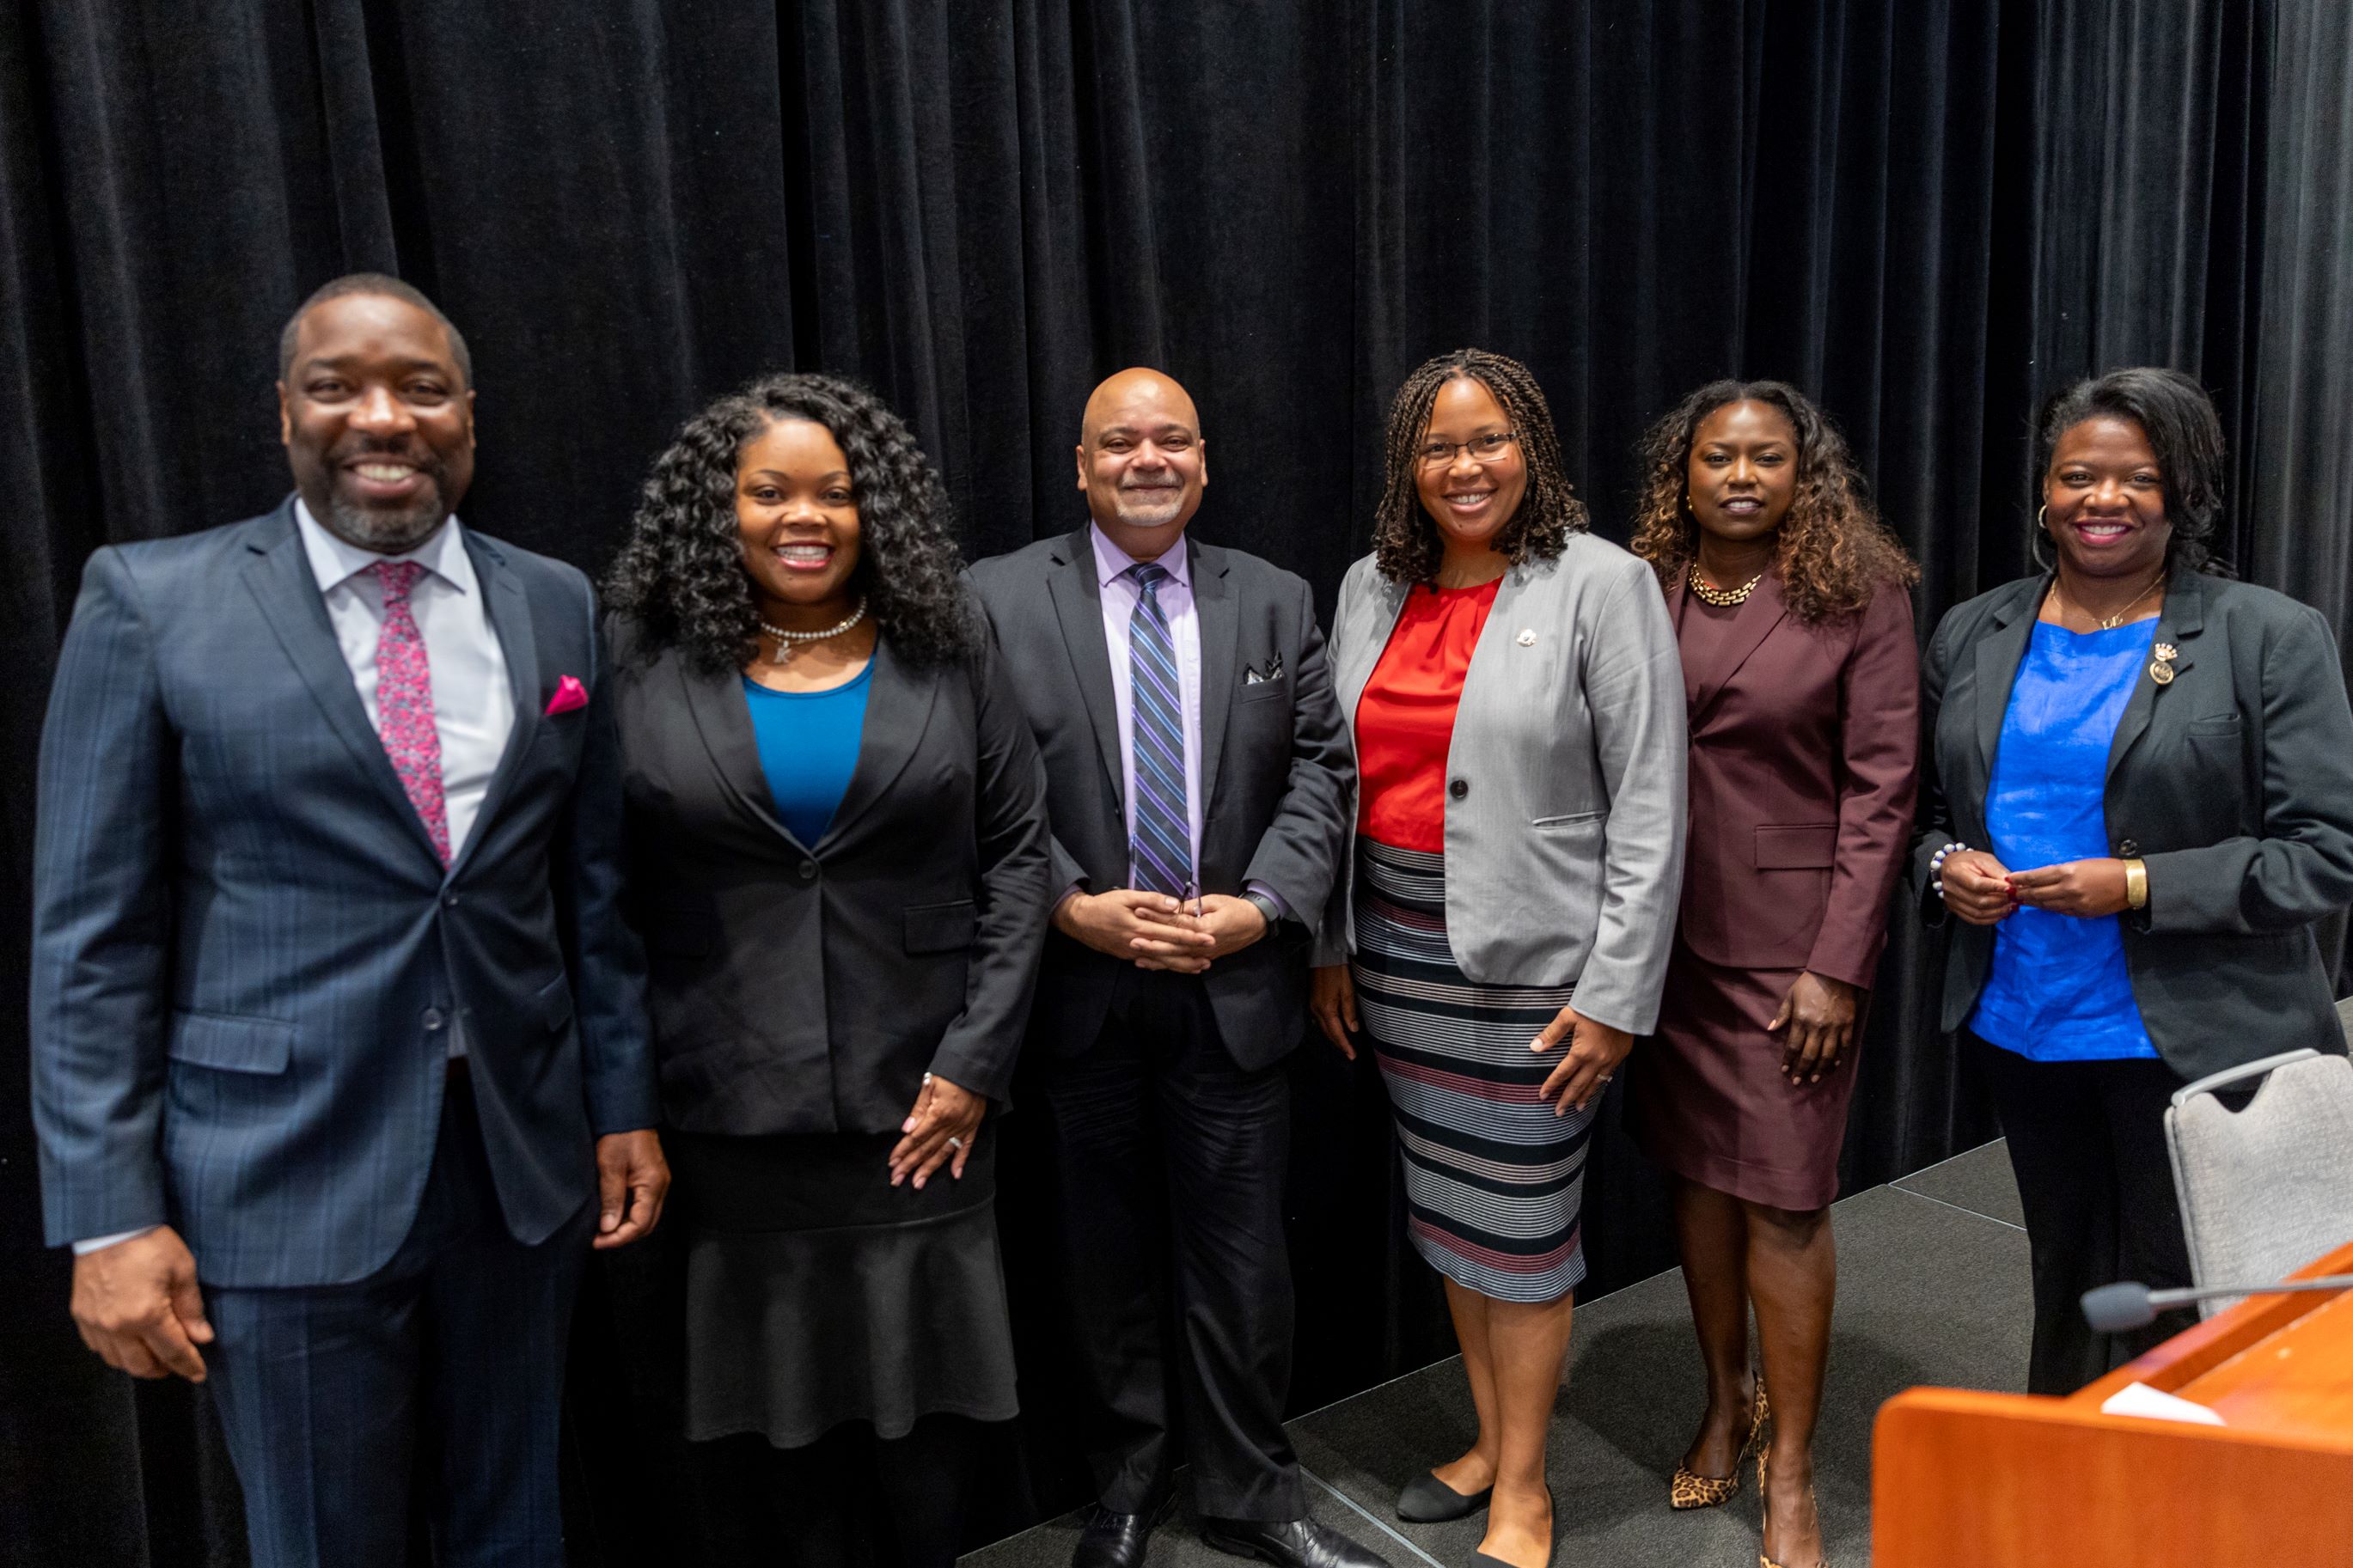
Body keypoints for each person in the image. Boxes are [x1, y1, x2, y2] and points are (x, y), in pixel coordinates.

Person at [29, 275, 668, 1568]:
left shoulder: (553, 602)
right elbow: (89, 937)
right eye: (339, 385)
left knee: (517, 1525)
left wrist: (619, 1102)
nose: (383, 416)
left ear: (468, 417)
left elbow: (589, 890)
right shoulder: (152, 603)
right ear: (284, 413)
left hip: (517, 1169)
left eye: (420, 388)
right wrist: (108, 1214)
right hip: (278, 1176)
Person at [603, 372, 1049, 1567]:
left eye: (836, 495)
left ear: (876, 514)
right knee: (774, 1433)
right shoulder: (638, 662)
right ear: (718, 509)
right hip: (730, 1110)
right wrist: (626, 1097)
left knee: (926, 1429)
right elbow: (603, 890)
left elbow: (1015, 856)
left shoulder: (949, 643)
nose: (805, 517)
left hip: (923, 1106)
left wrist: (976, 1064)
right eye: (769, 492)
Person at [968, 369, 1377, 1568]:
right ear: (1081, 465)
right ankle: (1129, 1487)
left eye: (1170, 440)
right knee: (1101, 1264)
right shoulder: (994, 598)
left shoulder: (1272, 597)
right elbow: (978, 784)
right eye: (1120, 443)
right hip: (1080, 993)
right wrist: (1069, 906)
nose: (1146, 459)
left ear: (1201, 460)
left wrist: (1259, 911)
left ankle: (1256, 1490)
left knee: (1243, 1264)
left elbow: (1321, 770)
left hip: (1233, 991)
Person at [1309, 348, 1687, 1568]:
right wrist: (1330, 946)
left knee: (1520, 1232)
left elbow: (1650, 801)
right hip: (1400, 949)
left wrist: (1616, 993)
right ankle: (1482, 1438)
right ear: (1403, 467)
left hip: (1536, 967)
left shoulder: (1602, 582)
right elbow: (1328, 778)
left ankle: (1523, 1488)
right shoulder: (1368, 585)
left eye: (1486, 441)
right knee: (1451, 1213)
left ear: (1531, 447)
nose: (1463, 466)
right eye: (1437, 446)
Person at [1916, 366, 2353, 1396]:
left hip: (2193, 1032)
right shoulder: (1973, 633)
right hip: (2023, 1021)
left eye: (2135, 479)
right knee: (2067, 1272)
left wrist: (2139, 883)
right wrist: (1943, 869)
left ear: (2181, 494)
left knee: (2187, 1290)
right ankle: (2073, 1483)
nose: (2100, 500)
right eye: (2076, 475)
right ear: (2043, 488)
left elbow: (2325, 849)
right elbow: (1925, 817)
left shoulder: (2265, 636)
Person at [1625, 381, 1919, 1568]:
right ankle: (1723, 1395)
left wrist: (1836, 968)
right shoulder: (1636, 584)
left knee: (1784, 1200)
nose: (1739, 476)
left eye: (1765, 458)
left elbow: (1882, 789)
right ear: (1680, 473)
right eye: (1715, 457)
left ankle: (1791, 1465)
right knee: (1695, 1182)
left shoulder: (1859, 593)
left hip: (1790, 956)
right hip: (1658, 944)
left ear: (1806, 475)